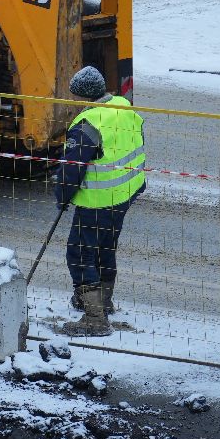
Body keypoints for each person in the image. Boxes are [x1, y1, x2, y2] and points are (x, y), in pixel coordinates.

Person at [53, 66, 146, 337]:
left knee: (80, 254)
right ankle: (103, 302)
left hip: (97, 200)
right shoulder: (125, 108)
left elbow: (72, 169)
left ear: (83, 97)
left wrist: (62, 196)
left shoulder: (87, 125)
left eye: (75, 97)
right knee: (106, 248)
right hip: (124, 195)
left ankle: (94, 319)